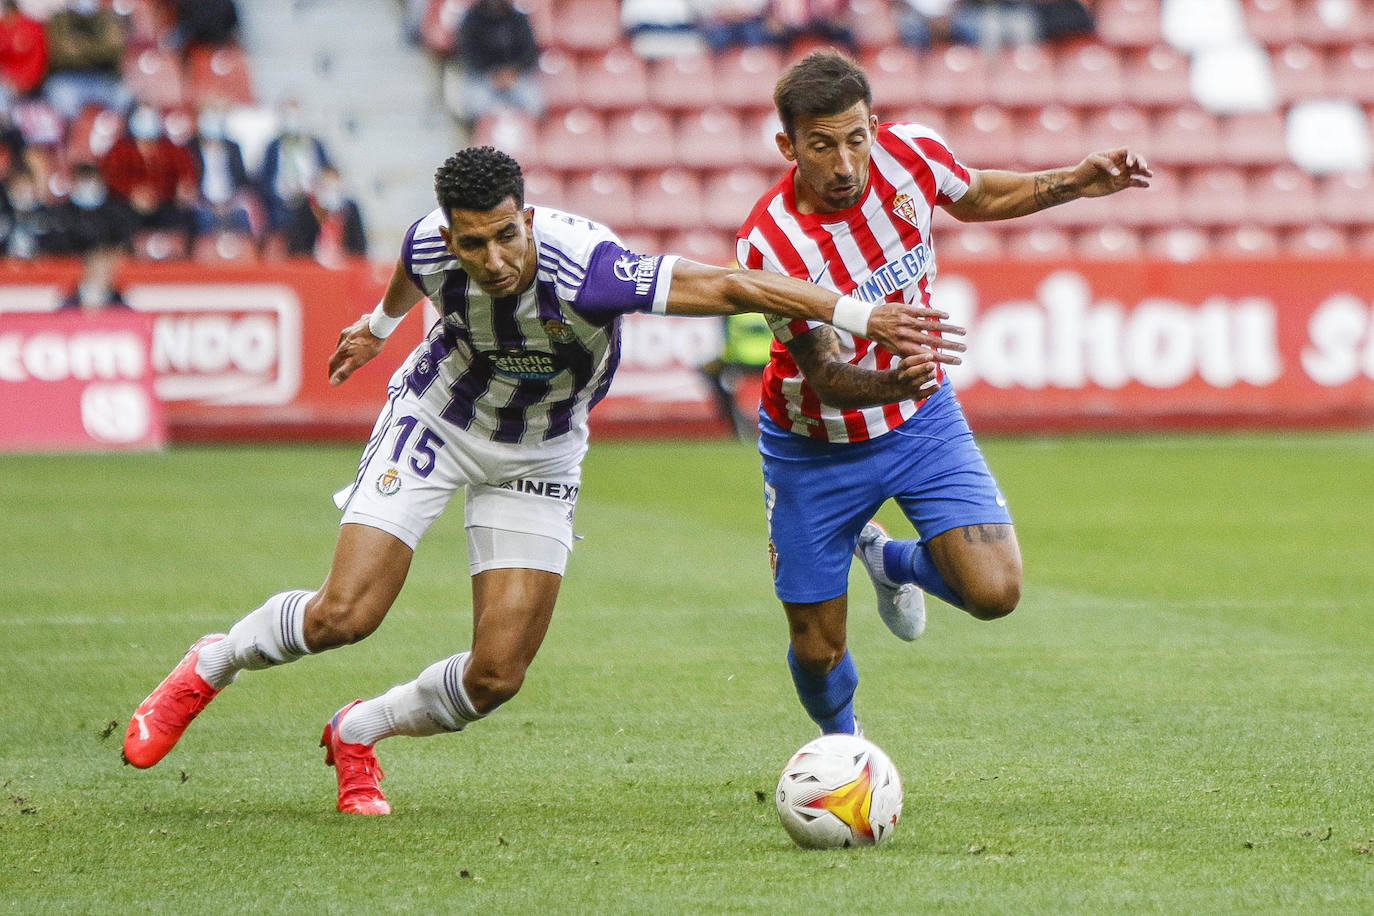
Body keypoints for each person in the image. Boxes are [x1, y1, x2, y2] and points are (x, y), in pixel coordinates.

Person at [121, 145, 960, 815]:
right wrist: (379, 326)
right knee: (346, 615)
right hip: (439, 420)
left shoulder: (591, 270)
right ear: (451, 234)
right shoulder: (428, 241)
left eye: (505, 236)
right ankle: (212, 664)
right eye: (472, 242)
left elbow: (733, 283)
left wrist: (858, 316)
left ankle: (356, 734)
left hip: (542, 451)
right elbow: (411, 273)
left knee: (496, 677)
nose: (491, 259)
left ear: (527, 217)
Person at [735, 51, 1149, 737]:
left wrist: (1075, 181)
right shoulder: (769, 243)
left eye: (857, 138)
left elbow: (978, 194)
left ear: (875, 125)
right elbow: (825, 376)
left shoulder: (912, 156)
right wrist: (885, 381)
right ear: (788, 145)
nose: (845, 165)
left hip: (921, 417)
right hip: (816, 444)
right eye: (822, 145)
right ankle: (847, 752)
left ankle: (887, 557)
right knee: (817, 647)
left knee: (996, 592)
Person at [100, 104, 198, 249]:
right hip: (128, 203)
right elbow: (111, 178)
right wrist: (133, 194)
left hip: (164, 202)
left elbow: (185, 177)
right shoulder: (119, 149)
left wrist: (174, 192)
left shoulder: (171, 149)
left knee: (183, 215)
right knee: (117, 215)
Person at [449, 0, 542, 132]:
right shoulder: (471, 19)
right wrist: (493, 74)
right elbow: (467, 54)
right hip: (483, 77)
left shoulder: (519, 19)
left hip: (516, 76)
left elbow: (530, 52)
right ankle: (477, 136)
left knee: (533, 101)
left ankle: (531, 139)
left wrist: (513, 72)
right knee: (475, 104)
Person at [283, 164, 366, 265]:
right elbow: (299, 246)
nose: (330, 190)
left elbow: (359, 244)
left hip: (344, 264)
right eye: (326, 186)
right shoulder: (306, 209)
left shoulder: (350, 209)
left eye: (334, 186)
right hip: (313, 266)